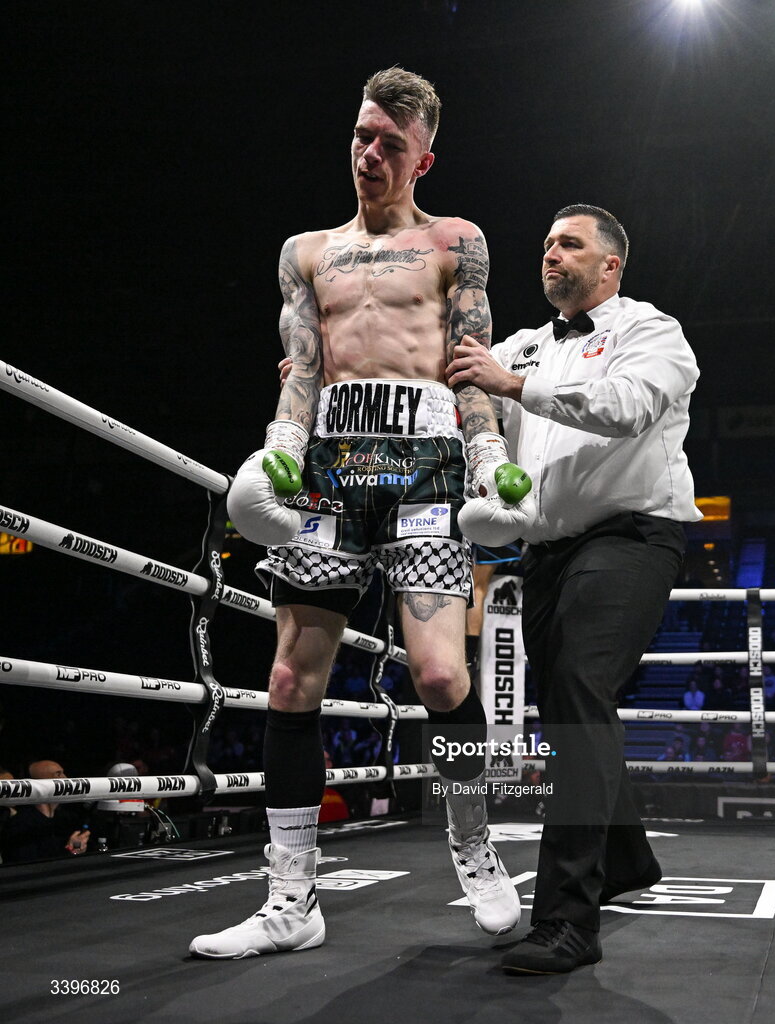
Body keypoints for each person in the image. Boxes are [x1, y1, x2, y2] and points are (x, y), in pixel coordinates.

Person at [190, 68, 532, 960]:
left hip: (423, 469)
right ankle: (291, 899)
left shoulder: (457, 242)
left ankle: (474, 846)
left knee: (440, 680)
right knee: (288, 683)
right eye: (359, 136)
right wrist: (280, 447)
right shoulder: (306, 250)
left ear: (424, 155)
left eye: (388, 142)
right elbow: (300, 366)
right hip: (329, 472)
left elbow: (468, 359)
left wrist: (488, 459)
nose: (368, 154)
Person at [445, 204, 701, 973]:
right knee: (565, 704)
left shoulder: (652, 332)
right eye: (546, 244)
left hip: (630, 538)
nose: (551, 254)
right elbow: (445, 386)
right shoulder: (523, 344)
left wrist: (512, 385)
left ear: (610, 263)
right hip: (548, 554)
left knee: (580, 687)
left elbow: (626, 410)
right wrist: (324, 374)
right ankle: (624, 859)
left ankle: (565, 920)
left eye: (569, 243)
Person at [0, 760, 91, 864]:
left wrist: (75, 850)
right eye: (58, 774)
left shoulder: (67, 818)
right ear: (41, 783)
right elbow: (27, 867)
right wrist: (69, 851)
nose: (66, 779)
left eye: (63, 773)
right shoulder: (21, 823)